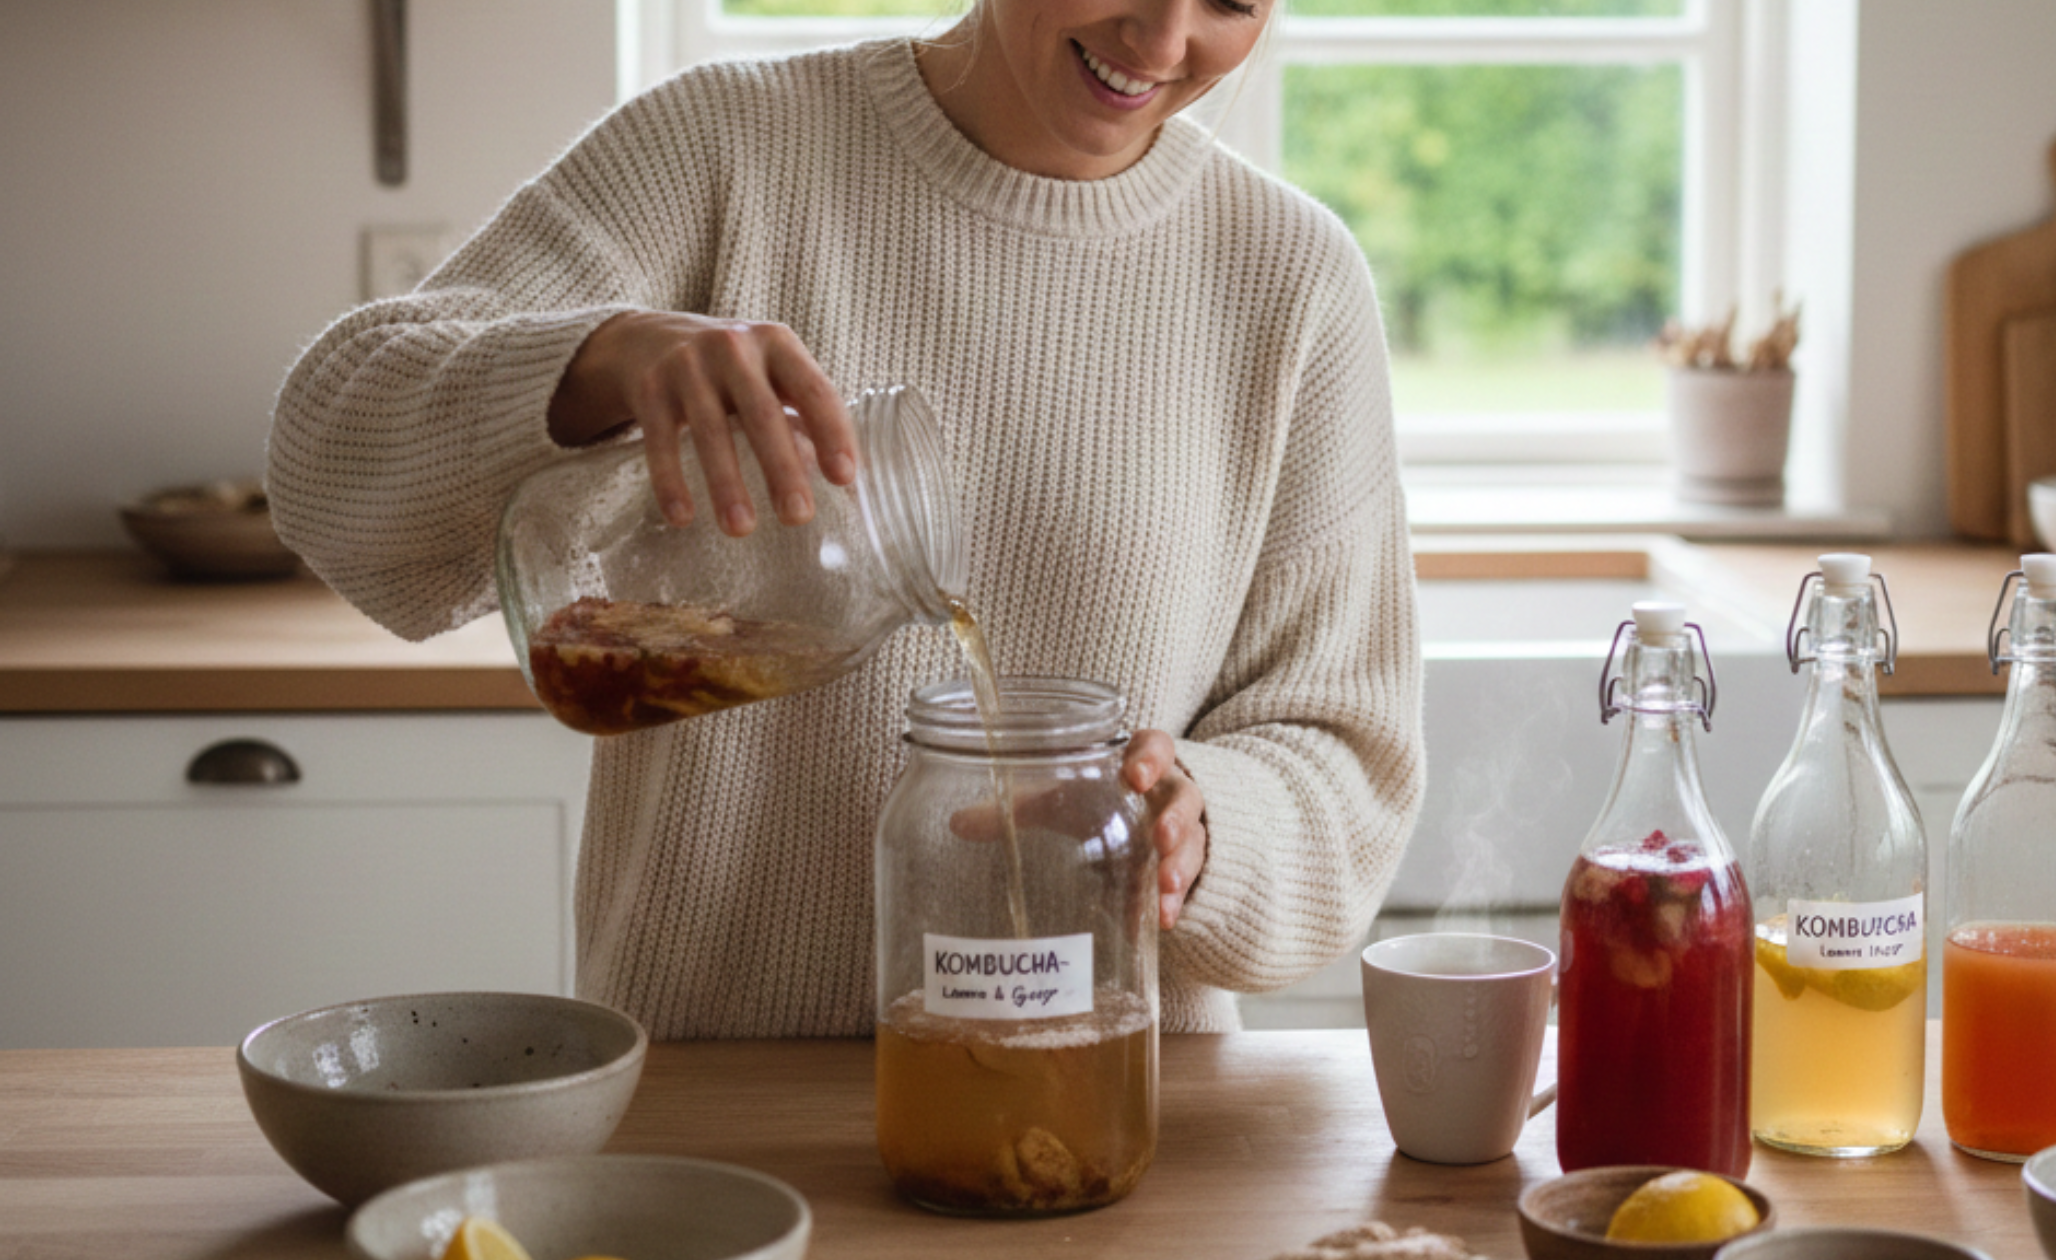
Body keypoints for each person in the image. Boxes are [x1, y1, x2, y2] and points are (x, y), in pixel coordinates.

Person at [268, 0, 1424, 1038]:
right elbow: (323, 456)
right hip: (713, 1101)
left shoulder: (1290, 280)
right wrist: (596, 360)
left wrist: (1201, 825)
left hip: (1106, 1103)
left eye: (1228, 0)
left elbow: (1343, 756)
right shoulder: (726, 149)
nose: (1163, 43)